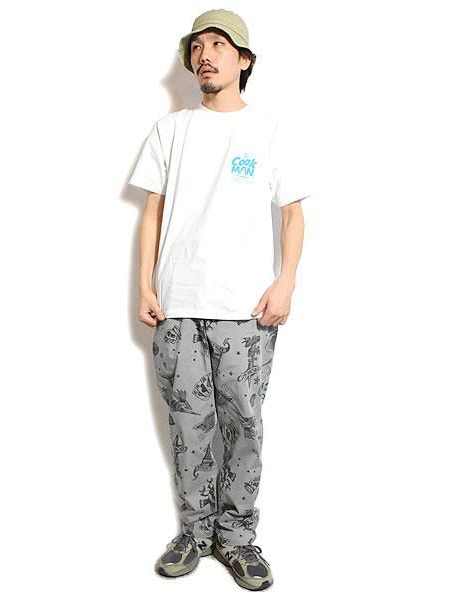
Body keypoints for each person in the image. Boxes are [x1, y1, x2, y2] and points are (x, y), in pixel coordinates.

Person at [128, 9, 310, 591]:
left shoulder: (269, 130)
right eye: (197, 46)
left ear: (244, 59)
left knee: (243, 424)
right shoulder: (170, 130)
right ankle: (195, 532)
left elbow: (293, 213)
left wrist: (285, 282)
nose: (205, 55)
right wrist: (144, 284)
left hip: (246, 310)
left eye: (219, 44)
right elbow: (152, 212)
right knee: (189, 425)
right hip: (178, 305)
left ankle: (237, 537)